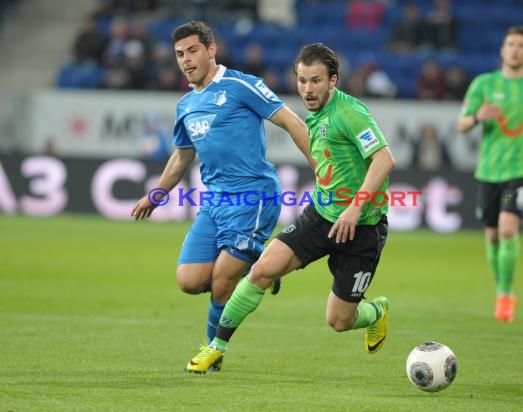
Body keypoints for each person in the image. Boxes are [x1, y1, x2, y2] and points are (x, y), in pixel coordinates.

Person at [186, 43, 396, 374]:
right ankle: (216, 347)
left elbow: (384, 159)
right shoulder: (312, 118)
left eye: (315, 81)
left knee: (339, 321)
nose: (307, 90)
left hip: (362, 227)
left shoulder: (351, 113)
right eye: (301, 80)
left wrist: (355, 208)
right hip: (319, 218)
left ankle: (377, 312)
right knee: (261, 271)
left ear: (333, 81)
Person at [130, 21, 313, 370]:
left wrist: (321, 169)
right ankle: (261, 267)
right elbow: (182, 155)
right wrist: (156, 194)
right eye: (180, 54)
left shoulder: (242, 85)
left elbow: (293, 122)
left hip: (253, 198)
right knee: (189, 281)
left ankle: (214, 352)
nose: (186, 60)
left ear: (212, 49)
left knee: (221, 282)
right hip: (215, 203)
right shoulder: (186, 104)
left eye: (193, 50)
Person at [457, 26, 523, 323]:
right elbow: (461, 123)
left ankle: (504, 294)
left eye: (520, 46)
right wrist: (477, 117)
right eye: (510, 44)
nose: (514, 49)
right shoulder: (484, 84)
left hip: (522, 170)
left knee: (508, 229)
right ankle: (501, 288)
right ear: (502, 49)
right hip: (489, 170)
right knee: (492, 235)